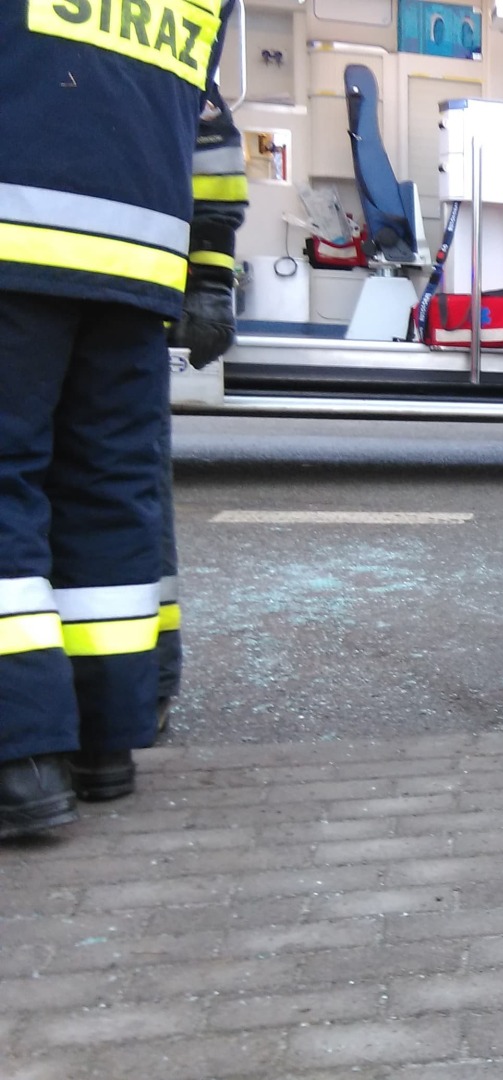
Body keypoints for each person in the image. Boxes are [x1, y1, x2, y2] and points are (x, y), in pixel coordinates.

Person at [0, 0, 244, 838]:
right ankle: (103, 744)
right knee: (107, 494)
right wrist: (210, 270)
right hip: (135, 271)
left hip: (10, 245)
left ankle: (20, 758)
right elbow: (211, 127)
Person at [158, 91, 252, 736]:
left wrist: (211, 283)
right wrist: (211, 280)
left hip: (53, 294)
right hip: (132, 291)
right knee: (114, 494)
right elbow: (216, 166)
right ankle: (121, 720)